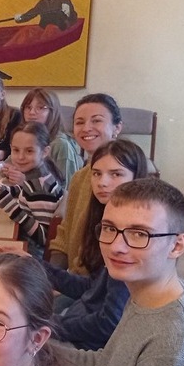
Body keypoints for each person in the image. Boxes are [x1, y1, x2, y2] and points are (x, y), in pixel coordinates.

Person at [56, 178, 184, 366]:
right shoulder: (147, 294)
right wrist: (37, 351)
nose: (117, 246)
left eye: (140, 234)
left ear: (177, 245)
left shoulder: (171, 342)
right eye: (109, 229)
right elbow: (107, 364)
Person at [45, 140, 149, 350]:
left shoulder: (132, 239)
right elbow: (93, 289)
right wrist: (39, 267)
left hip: (92, 347)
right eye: (96, 174)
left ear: (136, 178)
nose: (102, 182)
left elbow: (108, 323)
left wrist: (52, 326)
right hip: (80, 318)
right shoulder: (104, 221)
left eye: (116, 174)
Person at [49, 93, 123, 274]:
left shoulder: (124, 181)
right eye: (80, 122)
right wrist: (51, 276)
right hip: (73, 278)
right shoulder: (80, 177)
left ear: (117, 128)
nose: (86, 128)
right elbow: (65, 233)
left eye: (96, 121)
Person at [0, 122, 64, 258]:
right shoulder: (38, 176)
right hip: (23, 244)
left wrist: (10, 206)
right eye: (16, 150)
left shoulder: (40, 189)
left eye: (29, 151)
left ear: (45, 152)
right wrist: (0, 190)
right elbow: (25, 191)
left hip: (30, 253)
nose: (20, 157)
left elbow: (43, 237)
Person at [13, 88, 83, 187]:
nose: (32, 112)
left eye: (40, 107)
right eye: (28, 107)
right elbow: (9, 163)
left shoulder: (61, 145)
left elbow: (69, 188)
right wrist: (8, 169)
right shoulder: (24, 137)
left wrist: (26, 183)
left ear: (53, 112)